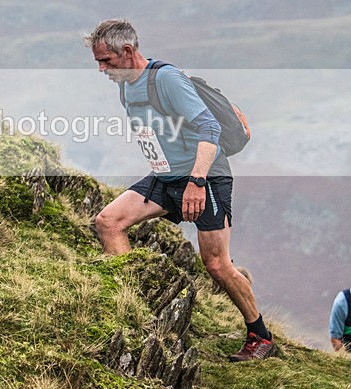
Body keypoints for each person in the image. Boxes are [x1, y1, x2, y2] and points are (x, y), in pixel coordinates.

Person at [84, 19, 275, 362]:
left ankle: (260, 335)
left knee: (216, 264)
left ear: (127, 51)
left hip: (205, 178)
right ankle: (137, 313)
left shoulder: (167, 80)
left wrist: (197, 182)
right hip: (164, 176)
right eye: (98, 61)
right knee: (108, 222)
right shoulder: (126, 82)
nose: (101, 69)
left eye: (106, 61)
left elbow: (209, 128)